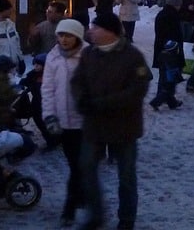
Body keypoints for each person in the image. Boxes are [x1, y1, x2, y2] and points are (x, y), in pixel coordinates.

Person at [71, 12, 151, 230]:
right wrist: (82, 100)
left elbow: (139, 89)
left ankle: (127, 219)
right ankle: (95, 215)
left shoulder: (132, 56)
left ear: (109, 31)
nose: (90, 31)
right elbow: (77, 81)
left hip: (124, 127)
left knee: (126, 176)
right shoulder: (89, 54)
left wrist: (104, 103)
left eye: (95, 27)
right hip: (94, 126)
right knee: (87, 168)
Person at [41, 17, 86, 227]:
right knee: (75, 165)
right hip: (63, 122)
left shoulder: (88, 56)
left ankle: (70, 208)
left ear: (77, 36)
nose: (64, 39)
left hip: (85, 122)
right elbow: (47, 89)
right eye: (61, 35)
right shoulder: (53, 57)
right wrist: (49, 115)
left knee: (80, 167)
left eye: (68, 35)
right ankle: (80, 198)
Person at [150, 0, 184, 109]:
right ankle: (159, 99)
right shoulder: (172, 16)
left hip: (162, 49)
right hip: (170, 50)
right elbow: (173, 34)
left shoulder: (162, 14)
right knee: (170, 76)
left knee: (165, 75)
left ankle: (171, 101)